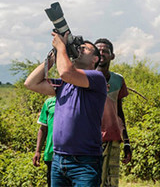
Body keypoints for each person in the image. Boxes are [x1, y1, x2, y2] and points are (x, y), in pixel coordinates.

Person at [25, 31, 107, 186]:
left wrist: (61, 46)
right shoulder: (63, 85)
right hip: (58, 159)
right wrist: (54, 56)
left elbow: (66, 72)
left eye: (86, 49)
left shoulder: (97, 78)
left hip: (85, 162)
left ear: (95, 59)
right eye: (79, 47)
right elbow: (31, 83)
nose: (80, 49)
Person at [95, 38, 132, 187]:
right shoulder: (84, 77)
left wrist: (127, 142)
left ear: (112, 56)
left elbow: (119, 113)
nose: (102, 53)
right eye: (98, 50)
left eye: (106, 51)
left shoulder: (118, 80)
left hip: (113, 139)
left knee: (111, 182)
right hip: (90, 140)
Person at [33, 96, 56, 187]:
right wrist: (38, 151)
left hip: (72, 154)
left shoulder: (76, 101)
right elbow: (43, 128)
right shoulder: (49, 102)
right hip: (51, 154)